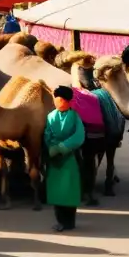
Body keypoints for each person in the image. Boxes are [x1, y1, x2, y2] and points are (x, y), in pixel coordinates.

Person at [43, 85, 86, 231]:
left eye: (59, 99)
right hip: (54, 159)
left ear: (67, 101)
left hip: (70, 157)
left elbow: (79, 135)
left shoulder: (74, 117)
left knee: (69, 190)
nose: (57, 102)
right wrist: (51, 147)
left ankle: (70, 221)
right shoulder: (50, 116)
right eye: (56, 99)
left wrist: (63, 147)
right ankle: (60, 221)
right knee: (56, 191)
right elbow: (47, 134)